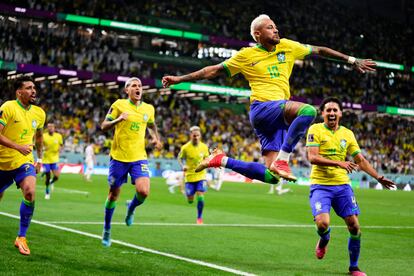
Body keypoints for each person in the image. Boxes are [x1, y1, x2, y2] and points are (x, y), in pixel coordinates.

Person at [162, 14, 376, 185]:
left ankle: (221, 160)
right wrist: (179, 79)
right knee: (309, 111)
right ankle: (284, 160)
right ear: (257, 34)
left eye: (275, 26)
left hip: (276, 118)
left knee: (271, 177)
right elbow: (213, 70)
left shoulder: (287, 46)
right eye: (270, 27)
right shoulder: (246, 55)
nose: (276, 30)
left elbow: (319, 50)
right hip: (263, 108)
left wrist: (351, 59)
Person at [306, 97, 395, 276]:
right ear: (322, 113)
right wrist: (339, 163)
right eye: (328, 110)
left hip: (342, 187)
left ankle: (353, 267)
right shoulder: (315, 129)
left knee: (354, 226)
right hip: (320, 185)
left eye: (334, 110)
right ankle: (324, 238)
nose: (331, 113)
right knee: (323, 224)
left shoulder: (347, 134)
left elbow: (360, 160)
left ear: (340, 113)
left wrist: (378, 177)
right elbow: (312, 157)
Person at [100, 77, 162, 247]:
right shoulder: (119, 105)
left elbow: (151, 124)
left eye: (140, 86)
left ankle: (131, 208)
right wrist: (118, 120)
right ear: (127, 90)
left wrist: (156, 138)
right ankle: (106, 228)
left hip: (138, 157)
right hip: (119, 158)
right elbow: (104, 125)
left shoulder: (149, 108)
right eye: (134, 85)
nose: (138, 88)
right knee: (113, 195)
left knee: (144, 192)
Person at [0, 76, 46, 255]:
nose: (33, 91)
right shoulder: (8, 107)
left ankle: (21, 237)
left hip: (24, 162)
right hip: (2, 161)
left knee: (30, 191)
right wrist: (17, 146)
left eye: (34, 87)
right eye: (28, 88)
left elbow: (40, 138)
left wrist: (40, 159)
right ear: (19, 92)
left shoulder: (39, 113)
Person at [178, 126, 210, 224]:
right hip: (189, 176)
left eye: (197, 135)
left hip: (201, 175)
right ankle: (188, 195)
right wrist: (183, 166)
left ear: (200, 136)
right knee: (190, 199)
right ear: (190, 135)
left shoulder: (204, 147)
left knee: (200, 196)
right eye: (194, 135)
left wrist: (207, 164)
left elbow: (207, 159)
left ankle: (199, 217)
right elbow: (179, 158)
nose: (195, 137)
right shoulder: (185, 148)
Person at [42, 122, 63, 199]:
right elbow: (38, 145)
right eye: (48, 127)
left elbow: (61, 145)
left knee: (57, 176)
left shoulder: (58, 136)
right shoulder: (44, 136)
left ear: (54, 128)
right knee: (48, 175)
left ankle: (51, 182)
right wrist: (43, 149)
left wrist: (60, 149)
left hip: (54, 159)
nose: (50, 128)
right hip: (46, 159)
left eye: (51, 126)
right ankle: (47, 192)